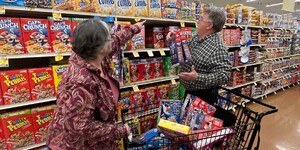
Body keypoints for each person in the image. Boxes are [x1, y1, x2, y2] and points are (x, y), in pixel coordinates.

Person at [46, 19, 145, 150]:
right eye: (108, 37)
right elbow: (80, 126)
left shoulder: (95, 57)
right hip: (75, 145)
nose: (112, 39)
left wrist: (134, 28)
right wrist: (120, 130)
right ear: (99, 46)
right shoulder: (81, 80)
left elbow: (116, 41)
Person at [167, 6, 235, 127]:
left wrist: (197, 77)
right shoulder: (197, 39)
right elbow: (184, 56)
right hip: (190, 94)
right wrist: (173, 42)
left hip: (204, 98)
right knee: (187, 128)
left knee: (197, 132)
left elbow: (224, 76)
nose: (198, 21)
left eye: (201, 19)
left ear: (209, 25)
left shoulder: (217, 47)